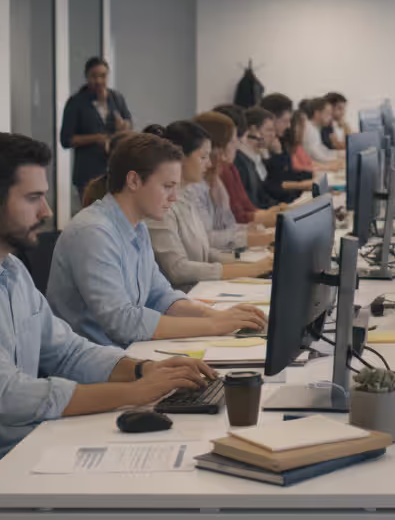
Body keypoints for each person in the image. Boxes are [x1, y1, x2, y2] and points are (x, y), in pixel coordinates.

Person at [0, 133, 215, 520]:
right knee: (151, 518)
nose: (46, 210)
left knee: (168, 491)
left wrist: (143, 370)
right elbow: (8, 396)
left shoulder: (11, 271)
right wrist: (137, 393)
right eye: (33, 198)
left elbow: (65, 351)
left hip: (26, 450)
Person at [48, 133, 268, 348]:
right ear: (134, 181)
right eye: (167, 186)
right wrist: (213, 325)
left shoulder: (138, 226)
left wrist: (217, 315)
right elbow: (122, 322)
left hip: (126, 353)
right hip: (98, 367)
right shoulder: (93, 232)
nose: (174, 197)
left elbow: (160, 295)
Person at [147, 121, 274, 289]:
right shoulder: (161, 204)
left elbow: (205, 252)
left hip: (202, 289)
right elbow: (178, 270)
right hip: (185, 295)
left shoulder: (188, 194)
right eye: (203, 157)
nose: (209, 163)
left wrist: (247, 264)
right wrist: (250, 268)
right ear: (179, 157)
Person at [60, 57, 133, 201]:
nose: (98, 80)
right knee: (93, 217)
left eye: (103, 76)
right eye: (94, 76)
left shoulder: (116, 98)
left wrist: (124, 127)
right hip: (88, 174)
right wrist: (98, 138)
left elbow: (128, 124)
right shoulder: (76, 102)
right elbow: (66, 140)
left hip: (115, 171)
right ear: (86, 77)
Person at [194, 111, 280, 230]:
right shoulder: (204, 182)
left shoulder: (219, 178)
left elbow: (230, 223)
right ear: (218, 147)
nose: (237, 146)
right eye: (233, 141)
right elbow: (235, 219)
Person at [238, 106, 307, 208]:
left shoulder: (257, 156)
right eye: (269, 130)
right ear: (252, 130)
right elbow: (270, 188)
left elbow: (267, 190)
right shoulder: (243, 161)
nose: (273, 135)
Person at [260, 93, 314, 202]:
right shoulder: (260, 148)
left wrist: (310, 176)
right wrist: (302, 185)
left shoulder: (280, 142)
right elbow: (273, 185)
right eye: (285, 121)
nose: (289, 126)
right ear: (271, 119)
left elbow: (288, 173)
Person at [301, 98, 342, 168]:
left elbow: (324, 151)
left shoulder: (315, 128)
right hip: (313, 169)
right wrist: (340, 159)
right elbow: (319, 157)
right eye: (328, 113)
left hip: (317, 166)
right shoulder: (309, 130)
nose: (330, 117)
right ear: (317, 114)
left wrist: (342, 154)